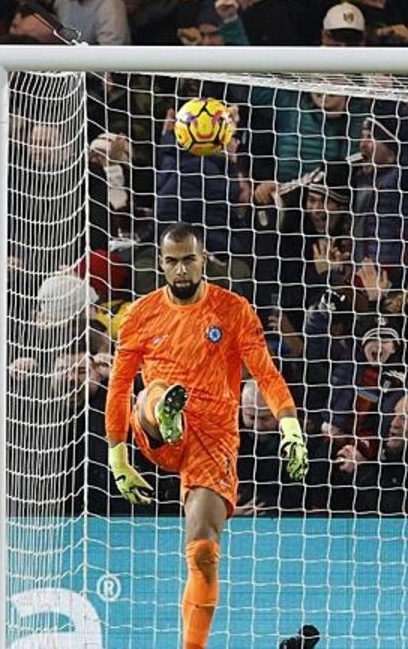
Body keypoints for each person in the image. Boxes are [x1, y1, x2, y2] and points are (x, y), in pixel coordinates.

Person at [104, 223, 308, 649]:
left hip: (214, 440)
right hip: (157, 431)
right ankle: (166, 413)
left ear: (203, 261)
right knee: (152, 394)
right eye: (172, 262)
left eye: (189, 260)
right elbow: (119, 387)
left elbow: (266, 373)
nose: (181, 270)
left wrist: (291, 427)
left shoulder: (232, 310)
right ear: (161, 264)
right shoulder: (140, 315)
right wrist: (118, 457)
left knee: (201, 553)